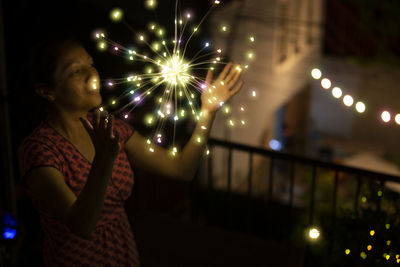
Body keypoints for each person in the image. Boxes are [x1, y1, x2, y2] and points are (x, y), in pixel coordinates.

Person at [18, 37, 243, 266]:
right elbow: (82, 225)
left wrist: (207, 112)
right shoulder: (40, 149)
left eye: (90, 64)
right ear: (46, 91)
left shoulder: (111, 127)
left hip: (123, 256)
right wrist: (103, 160)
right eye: (76, 71)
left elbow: (182, 169)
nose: (92, 75)